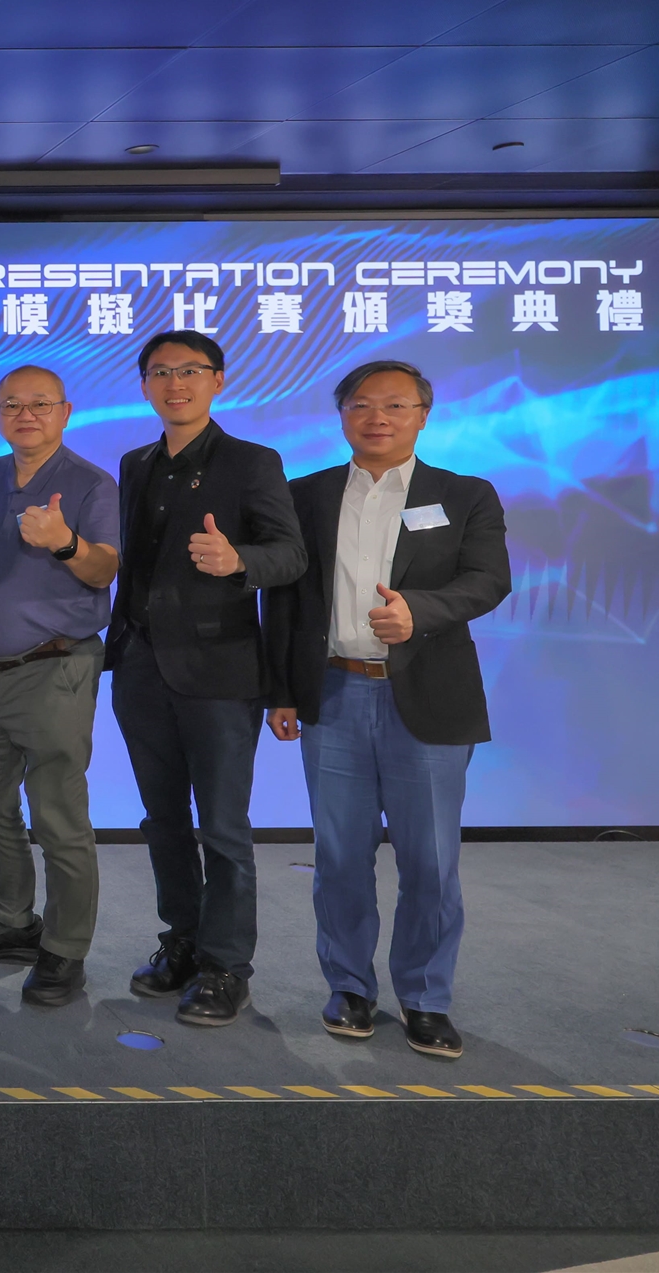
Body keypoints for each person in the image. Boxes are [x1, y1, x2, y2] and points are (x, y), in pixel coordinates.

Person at [264, 360, 510, 1060]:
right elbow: (284, 599)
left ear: (423, 415)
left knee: (429, 861)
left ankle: (426, 997)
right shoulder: (305, 495)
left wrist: (419, 611)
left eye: (396, 405)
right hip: (334, 693)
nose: (378, 417)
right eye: (362, 404)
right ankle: (348, 986)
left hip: (427, 695)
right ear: (342, 414)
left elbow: (488, 580)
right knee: (340, 855)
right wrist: (281, 689)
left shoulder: (463, 494)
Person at [107, 331, 305, 1027]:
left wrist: (238, 561)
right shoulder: (135, 463)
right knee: (162, 819)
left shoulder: (252, 461)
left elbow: (290, 556)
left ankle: (226, 967)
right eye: (161, 372)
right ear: (145, 385)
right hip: (141, 667)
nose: (175, 384)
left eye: (190, 371)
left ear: (218, 380)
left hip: (220, 671)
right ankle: (183, 940)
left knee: (222, 826)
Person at [0, 365, 120, 1008]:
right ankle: (14, 921)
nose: (26, 415)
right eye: (12, 405)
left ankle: (65, 950)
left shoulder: (90, 483)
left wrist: (66, 543)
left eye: (40, 404)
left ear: (65, 412)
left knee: (57, 818)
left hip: (54, 669)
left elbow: (104, 569)